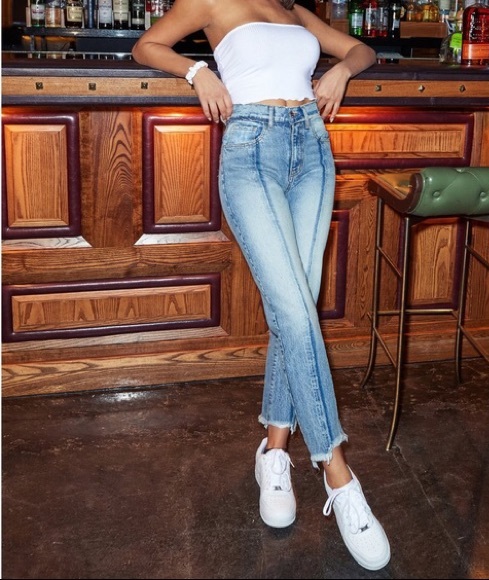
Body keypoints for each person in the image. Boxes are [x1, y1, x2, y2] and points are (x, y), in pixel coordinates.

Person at [132, 0, 390, 571]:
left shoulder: (293, 10)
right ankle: (338, 473)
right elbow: (146, 45)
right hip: (251, 148)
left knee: (294, 310)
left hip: (313, 148)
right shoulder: (208, 0)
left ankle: (274, 451)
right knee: (296, 313)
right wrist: (198, 72)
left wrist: (342, 71)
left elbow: (361, 49)